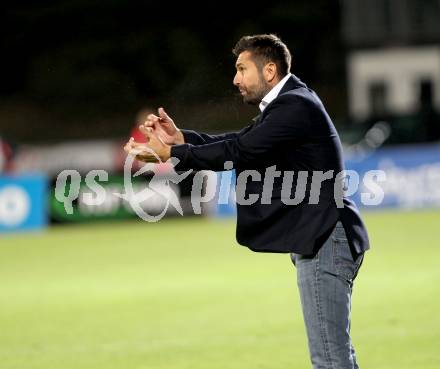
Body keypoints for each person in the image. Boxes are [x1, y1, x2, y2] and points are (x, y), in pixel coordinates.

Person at [124, 34, 369, 369]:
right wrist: (183, 140)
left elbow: (240, 151)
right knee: (335, 356)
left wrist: (173, 153)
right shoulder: (290, 103)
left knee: (330, 359)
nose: (235, 78)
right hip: (325, 236)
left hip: (326, 237)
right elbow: (240, 141)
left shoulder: (295, 105)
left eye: (242, 69)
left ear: (269, 70)